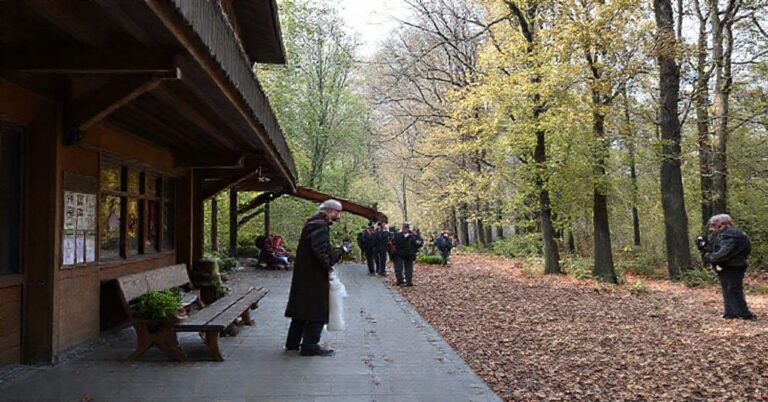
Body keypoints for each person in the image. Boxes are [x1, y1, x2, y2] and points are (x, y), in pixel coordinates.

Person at [284, 199, 351, 356]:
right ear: (328, 211)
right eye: (336, 212)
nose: (338, 216)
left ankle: (292, 343)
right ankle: (310, 345)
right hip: (314, 277)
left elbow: (320, 249)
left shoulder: (312, 224)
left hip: (305, 276)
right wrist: (330, 263)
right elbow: (320, 252)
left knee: (301, 311)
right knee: (316, 312)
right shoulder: (320, 226)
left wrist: (339, 251)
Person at [702, 214, 756, 320]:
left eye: (714, 224)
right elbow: (715, 249)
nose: (712, 227)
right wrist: (704, 247)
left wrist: (710, 257)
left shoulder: (730, 234)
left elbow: (723, 252)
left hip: (733, 266)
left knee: (731, 288)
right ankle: (738, 312)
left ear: (722, 223)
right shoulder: (725, 234)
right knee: (731, 288)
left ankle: (735, 313)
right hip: (732, 265)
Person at [393, 222, 424, 286]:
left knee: (409, 269)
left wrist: (415, 244)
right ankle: (400, 280)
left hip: (409, 254)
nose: (405, 229)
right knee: (398, 268)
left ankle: (408, 281)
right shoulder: (397, 235)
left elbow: (420, 243)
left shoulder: (414, 236)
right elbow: (393, 243)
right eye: (404, 227)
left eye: (406, 228)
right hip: (399, 254)